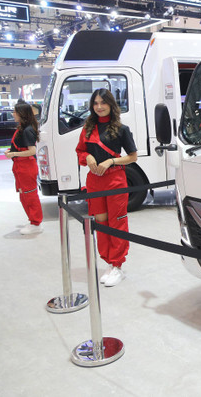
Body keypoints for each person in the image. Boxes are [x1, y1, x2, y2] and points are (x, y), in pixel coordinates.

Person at [76, 88, 137, 287]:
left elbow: (132, 157)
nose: (99, 107)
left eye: (103, 102)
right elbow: (80, 151)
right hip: (94, 181)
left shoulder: (121, 128)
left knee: (117, 221)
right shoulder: (87, 128)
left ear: (111, 104)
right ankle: (108, 262)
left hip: (115, 181)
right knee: (101, 223)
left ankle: (117, 265)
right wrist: (88, 157)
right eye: (95, 103)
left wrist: (111, 161)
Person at [4, 103, 43, 235]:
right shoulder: (23, 129)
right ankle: (33, 220)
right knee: (24, 195)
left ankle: (36, 223)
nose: (13, 114)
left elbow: (32, 151)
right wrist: (12, 151)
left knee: (30, 195)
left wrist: (14, 153)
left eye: (15, 112)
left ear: (21, 113)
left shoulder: (27, 130)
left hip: (26, 166)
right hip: (20, 166)